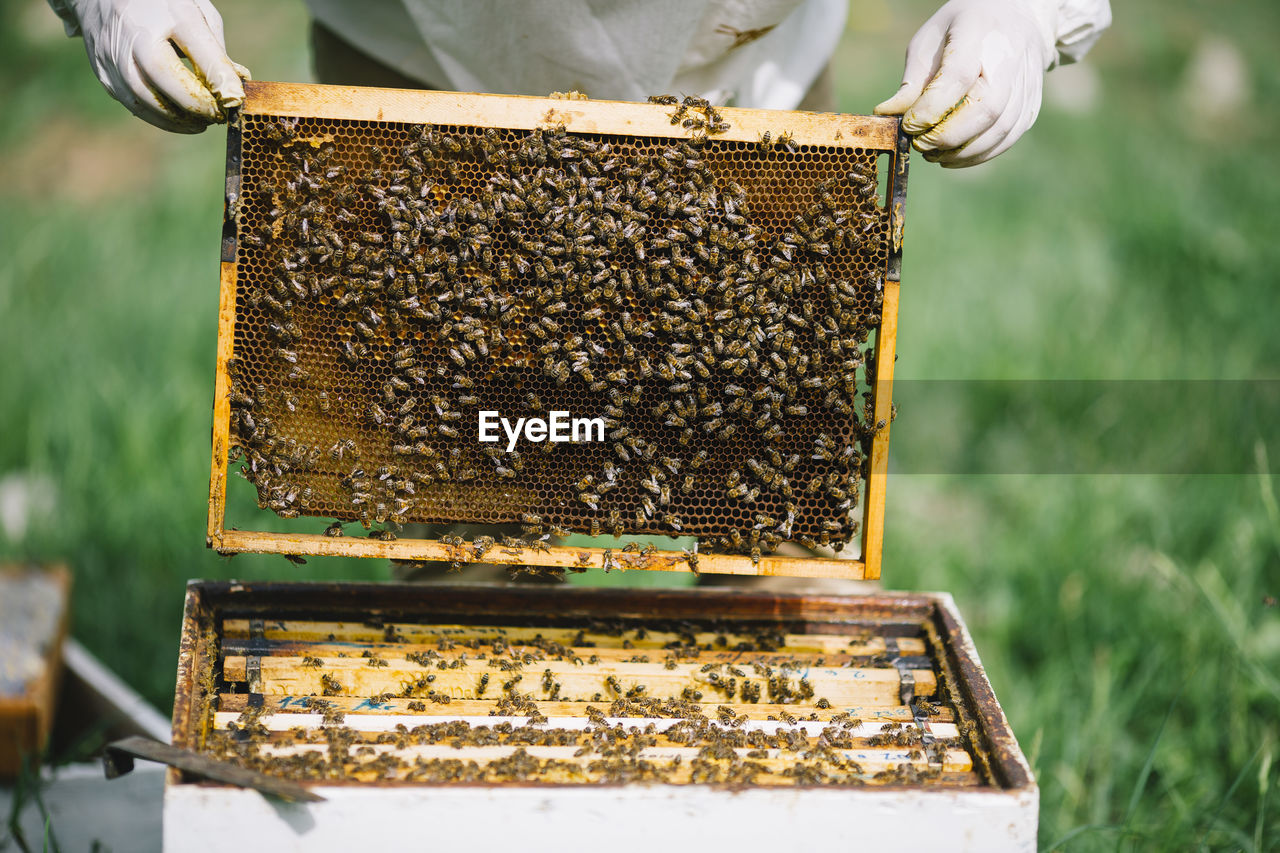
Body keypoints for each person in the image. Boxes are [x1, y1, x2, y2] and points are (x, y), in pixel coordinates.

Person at [48, 0, 1110, 167]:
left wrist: (1016, 10)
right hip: (424, 51)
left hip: (746, 63)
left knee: (761, 472)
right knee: (461, 457)